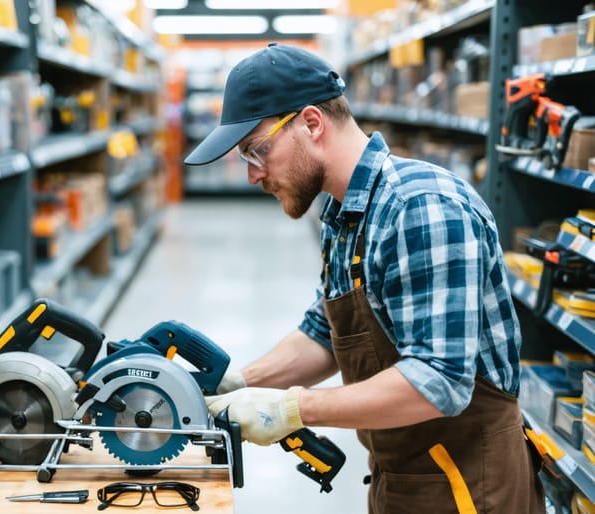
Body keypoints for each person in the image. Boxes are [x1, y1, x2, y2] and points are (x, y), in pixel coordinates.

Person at [185, 43, 545, 513]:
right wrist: (236, 385)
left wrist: (293, 409)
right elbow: (326, 334)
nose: (253, 174)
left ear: (312, 124)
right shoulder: (344, 212)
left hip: (472, 486)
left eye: (257, 150)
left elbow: (440, 380)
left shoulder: (420, 207)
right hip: (406, 478)